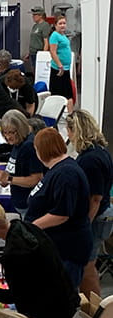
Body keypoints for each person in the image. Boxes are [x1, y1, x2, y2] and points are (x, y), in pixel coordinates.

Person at [25, 127, 92, 288]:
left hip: (67, 249)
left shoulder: (66, 174)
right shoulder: (56, 169)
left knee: (63, 295)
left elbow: (61, 214)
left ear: (43, 150)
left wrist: (31, 227)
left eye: (36, 149)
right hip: (56, 247)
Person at [67, 109, 113, 297]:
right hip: (103, 213)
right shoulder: (98, 151)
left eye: (69, 131)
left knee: (87, 266)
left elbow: (95, 198)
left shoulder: (90, 160)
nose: (68, 136)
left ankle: (94, 311)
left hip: (96, 216)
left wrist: (83, 224)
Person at [0, 110, 43, 218]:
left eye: (11, 132)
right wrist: (4, 178)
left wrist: (9, 179)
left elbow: (36, 178)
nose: (8, 137)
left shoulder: (28, 147)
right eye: (5, 133)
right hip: (20, 202)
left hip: (29, 205)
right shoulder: (17, 143)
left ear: (20, 129)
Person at [49, 14, 73, 112]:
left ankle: (70, 114)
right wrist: (59, 64)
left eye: (64, 23)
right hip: (58, 68)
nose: (63, 25)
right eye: (60, 23)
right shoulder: (54, 35)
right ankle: (57, 113)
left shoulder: (63, 35)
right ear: (55, 25)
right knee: (58, 93)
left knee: (68, 93)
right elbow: (53, 51)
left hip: (66, 68)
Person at [27, 6, 51, 72]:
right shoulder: (35, 26)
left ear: (40, 15)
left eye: (35, 15)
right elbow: (33, 40)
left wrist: (43, 55)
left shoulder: (45, 25)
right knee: (33, 70)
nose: (33, 16)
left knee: (38, 71)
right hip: (32, 52)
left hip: (39, 53)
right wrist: (29, 53)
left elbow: (46, 42)